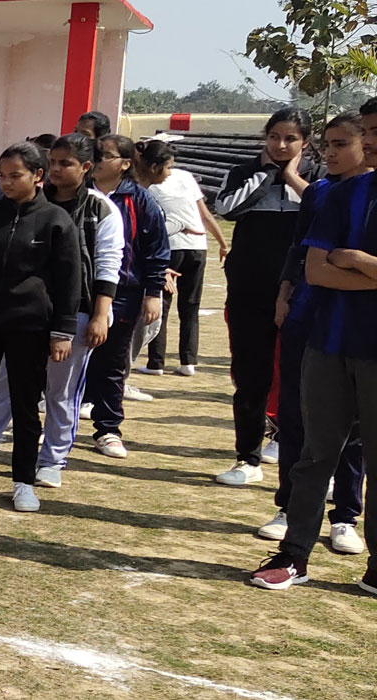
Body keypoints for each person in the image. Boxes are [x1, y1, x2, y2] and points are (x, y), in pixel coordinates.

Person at [0, 134, 122, 493]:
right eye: (1, 175)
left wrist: (63, 331)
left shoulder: (55, 220)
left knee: (27, 406)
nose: (5, 182)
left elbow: (68, 282)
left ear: (36, 175)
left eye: (14, 175)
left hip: (31, 329)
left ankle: (24, 481)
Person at [248, 100, 377, 593]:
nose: (368, 141)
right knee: (312, 453)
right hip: (328, 341)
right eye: (364, 131)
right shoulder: (343, 195)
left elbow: (336, 265)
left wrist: (357, 258)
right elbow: (317, 269)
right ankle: (294, 555)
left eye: (372, 132)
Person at [214, 108, 325, 487]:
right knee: (251, 378)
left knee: (302, 380)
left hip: (302, 292)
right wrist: (264, 175)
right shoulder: (244, 171)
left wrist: (292, 177)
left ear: (305, 143)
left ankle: (302, 455)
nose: (280, 145)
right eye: (274, 136)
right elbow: (226, 208)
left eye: (290, 139)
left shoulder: (320, 178)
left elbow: (324, 212)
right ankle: (247, 457)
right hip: (249, 290)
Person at [82, 134, 170, 460]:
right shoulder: (78, 194)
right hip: (78, 291)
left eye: (105, 155)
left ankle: (107, 429)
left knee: (112, 362)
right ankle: (53, 424)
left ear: (125, 163)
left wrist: (152, 293)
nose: (98, 160)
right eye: (95, 154)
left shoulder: (140, 200)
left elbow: (157, 251)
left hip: (123, 294)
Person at [135, 141, 225, 380]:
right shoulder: (185, 176)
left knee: (160, 305)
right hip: (198, 246)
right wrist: (223, 242)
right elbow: (204, 213)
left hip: (171, 247)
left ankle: (156, 362)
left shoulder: (147, 184)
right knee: (191, 306)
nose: (169, 171)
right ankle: (188, 361)